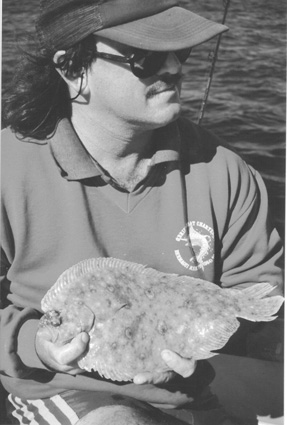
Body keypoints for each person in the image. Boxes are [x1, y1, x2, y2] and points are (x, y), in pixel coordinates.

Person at [1, 0, 283, 424]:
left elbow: (257, 290)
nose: (173, 67)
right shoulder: (8, 168)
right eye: (145, 56)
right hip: (63, 388)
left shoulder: (224, 169)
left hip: (194, 385)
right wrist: (35, 344)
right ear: (72, 68)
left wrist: (206, 337)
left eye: (181, 52)